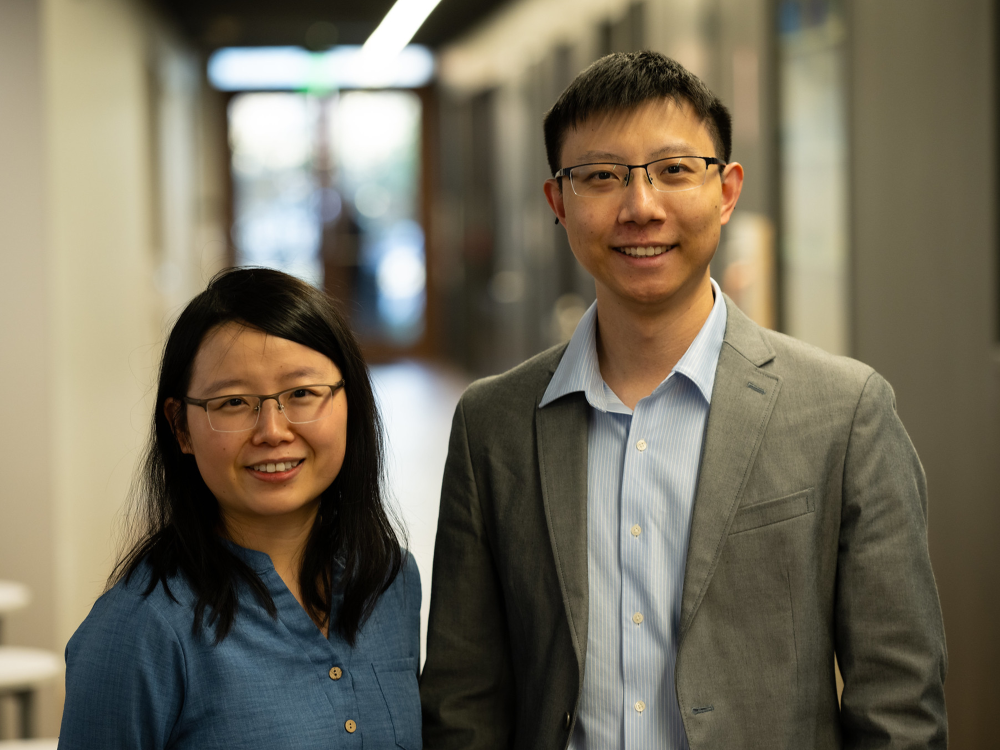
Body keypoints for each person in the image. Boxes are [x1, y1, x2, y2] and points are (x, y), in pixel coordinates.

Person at [419, 51, 947, 750]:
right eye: (601, 177)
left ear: (727, 192)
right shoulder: (493, 426)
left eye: (673, 171)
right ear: (558, 203)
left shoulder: (844, 413)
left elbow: (899, 703)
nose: (641, 208)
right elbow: (464, 698)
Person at [60, 268, 422, 749]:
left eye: (301, 394)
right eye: (233, 402)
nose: (272, 430)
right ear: (181, 427)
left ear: (351, 402)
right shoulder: (139, 630)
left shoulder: (388, 579)